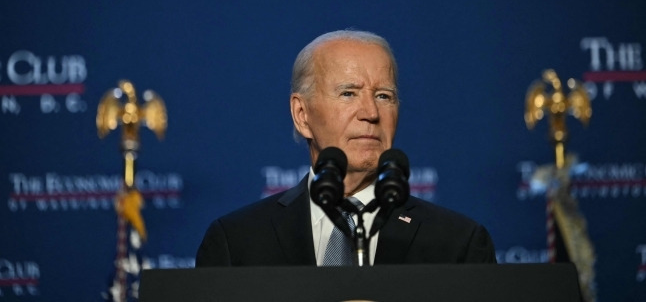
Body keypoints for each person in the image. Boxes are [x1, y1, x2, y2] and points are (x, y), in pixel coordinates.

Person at [195, 29, 496, 267]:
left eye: (383, 96)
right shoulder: (236, 243)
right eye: (348, 93)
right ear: (302, 115)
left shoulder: (458, 243)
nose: (371, 112)